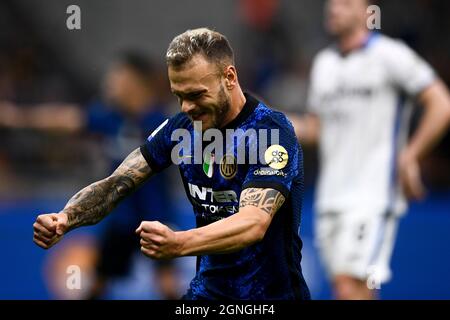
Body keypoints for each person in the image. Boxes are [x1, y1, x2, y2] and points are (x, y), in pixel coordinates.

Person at [32, 28, 311, 300]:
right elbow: (116, 184)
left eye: (196, 95)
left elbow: (254, 223)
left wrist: (180, 243)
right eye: (179, 96)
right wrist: (67, 217)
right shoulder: (182, 130)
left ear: (229, 77)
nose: (186, 107)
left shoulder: (270, 132)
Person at [290, 0, 450, 299]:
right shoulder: (324, 63)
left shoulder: (390, 55)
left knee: (351, 288)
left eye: (346, 3)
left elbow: (442, 104)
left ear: (368, 12)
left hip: (372, 195)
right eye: (332, 3)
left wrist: (411, 154)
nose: (334, 9)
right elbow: (317, 129)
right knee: (348, 289)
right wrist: (269, 119)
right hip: (331, 197)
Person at [2, 52, 179, 299]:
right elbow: (66, 119)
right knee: (97, 286)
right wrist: (18, 117)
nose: (110, 83)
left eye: (117, 77)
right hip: (120, 219)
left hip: (156, 215)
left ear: (135, 82)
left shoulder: (163, 121)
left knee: (168, 286)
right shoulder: (109, 118)